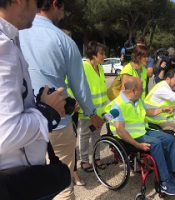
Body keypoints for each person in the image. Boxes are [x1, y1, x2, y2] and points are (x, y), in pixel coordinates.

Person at [19, 1, 103, 199]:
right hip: (56, 123)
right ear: (55, 4)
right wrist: (92, 114)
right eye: (63, 6)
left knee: (25, 184)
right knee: (61, 183)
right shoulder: (63, 40)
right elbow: (80, 86)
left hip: (19, 124)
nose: (64, 12)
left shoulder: (14, 32)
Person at [0, 0, 66, 198]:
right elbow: (5, 132)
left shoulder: (11, 39)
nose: (38, 9)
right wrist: (45, 112)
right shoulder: (3, 48)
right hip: (15, 184)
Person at [107, 76, 175, 196]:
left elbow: (147, 112)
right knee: (156, 144)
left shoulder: (137, 100)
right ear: (133, 90)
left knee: (169, 139)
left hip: (143, 131)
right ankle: (164, 182)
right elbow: (120, 130)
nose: (143, 91)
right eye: (141, 89)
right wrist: (137, 145)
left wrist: (163, 109)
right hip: (130, 138)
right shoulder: (117, 106)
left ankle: (171, 175)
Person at [77, 41, 109, 172]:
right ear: (93, 55)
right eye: (101, 53)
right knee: (85, 135)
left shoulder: (100, 68)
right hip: (87, 111)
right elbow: (76, 87)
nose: (104, 56)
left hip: (100, 111)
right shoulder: (83, 67)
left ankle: (96, 157)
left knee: (96, 135)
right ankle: (84, 160)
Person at [154, 47, 175, 118]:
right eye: (173, 57)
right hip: (167, 97)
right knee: (167, 118)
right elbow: (158, 80)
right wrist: (163, 68)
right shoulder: (163, 65)